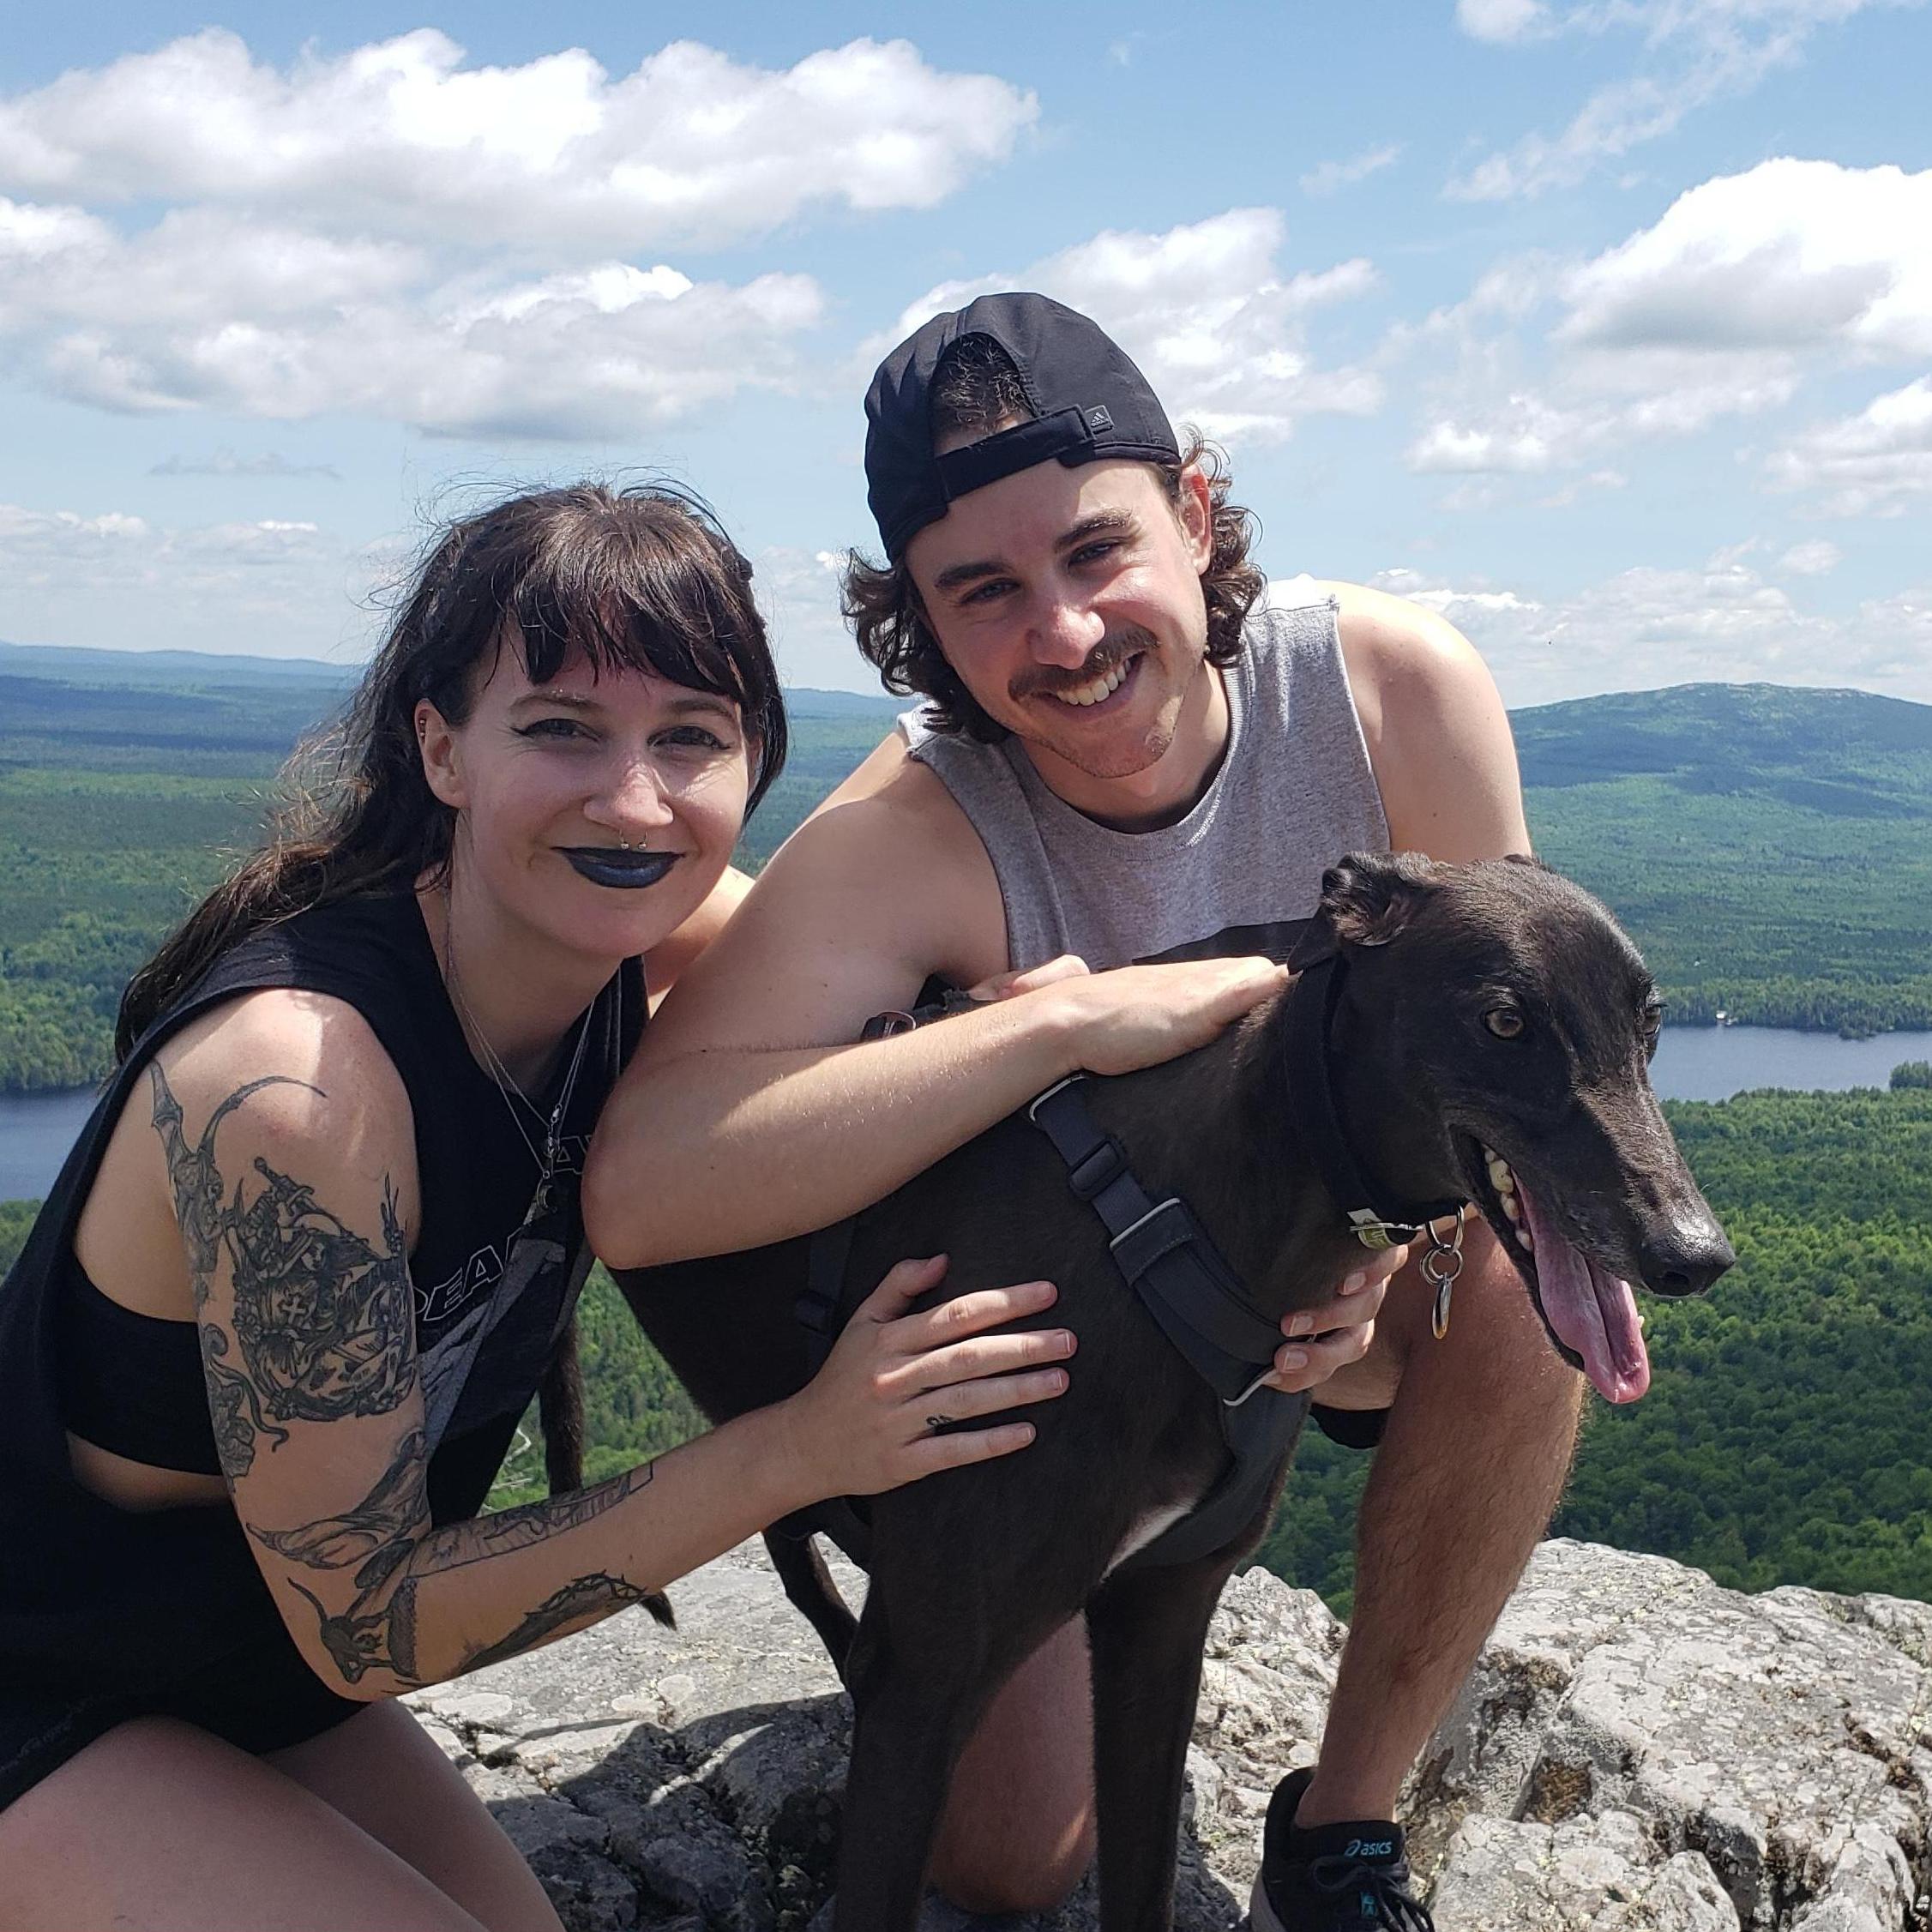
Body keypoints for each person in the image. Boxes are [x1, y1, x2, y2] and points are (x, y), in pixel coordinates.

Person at [586, 298, 1582, 1929]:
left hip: (1348, 1281)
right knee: (1002, 1860)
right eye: (982, 592)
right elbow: (646, 1183)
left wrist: (1393, 1256)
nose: (1058, 631)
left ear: (1192, 513)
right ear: (917, 618)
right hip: (1098, 1362)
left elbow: (1514, 1066)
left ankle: (1340, 1828)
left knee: (1538, 1303)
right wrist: (1054, 1024)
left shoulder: (1387, 695)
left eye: (1093, 551)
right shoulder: (918, 828)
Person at [0, 482, 1087, 1932]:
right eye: (561, 727)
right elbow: (369, 1618)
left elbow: (862, 1078)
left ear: (750, 761)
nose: (633, 799)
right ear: (442, 747)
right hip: (47, 1661)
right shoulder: (300, 1095)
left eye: (689, 738)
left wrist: (1032, 1029)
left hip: (232, 1658)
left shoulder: (651, 939)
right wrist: (803, 1446)